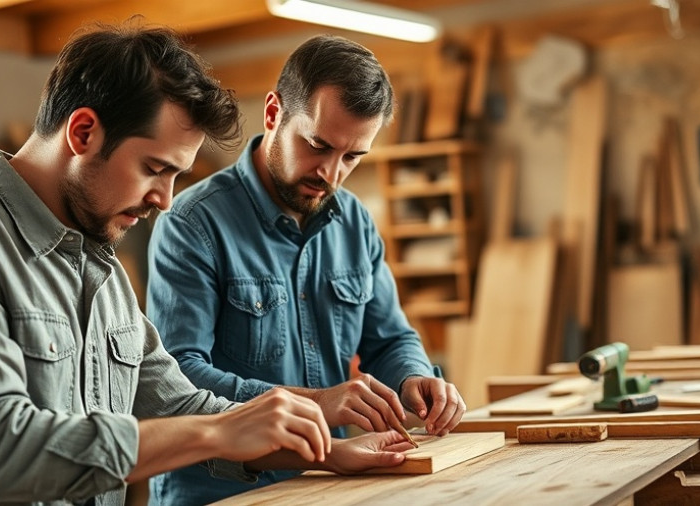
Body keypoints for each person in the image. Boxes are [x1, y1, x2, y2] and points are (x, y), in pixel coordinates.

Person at [0, 24, 417, 506]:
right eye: (155, 169)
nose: (166, 199)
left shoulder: (99, 266)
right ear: (84, 131)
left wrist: (324, 451)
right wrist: (219, 429)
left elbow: (181, 402)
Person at [146, 34, 468, 505]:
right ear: (274, 112)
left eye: (353, 157)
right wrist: (315, 402)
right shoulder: (192, 223)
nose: (331, 174)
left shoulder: (354, 221)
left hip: (329, 483)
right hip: (219, 492)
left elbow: (390, 339)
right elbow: (178, 378)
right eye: (318, 145)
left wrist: (414, 377)